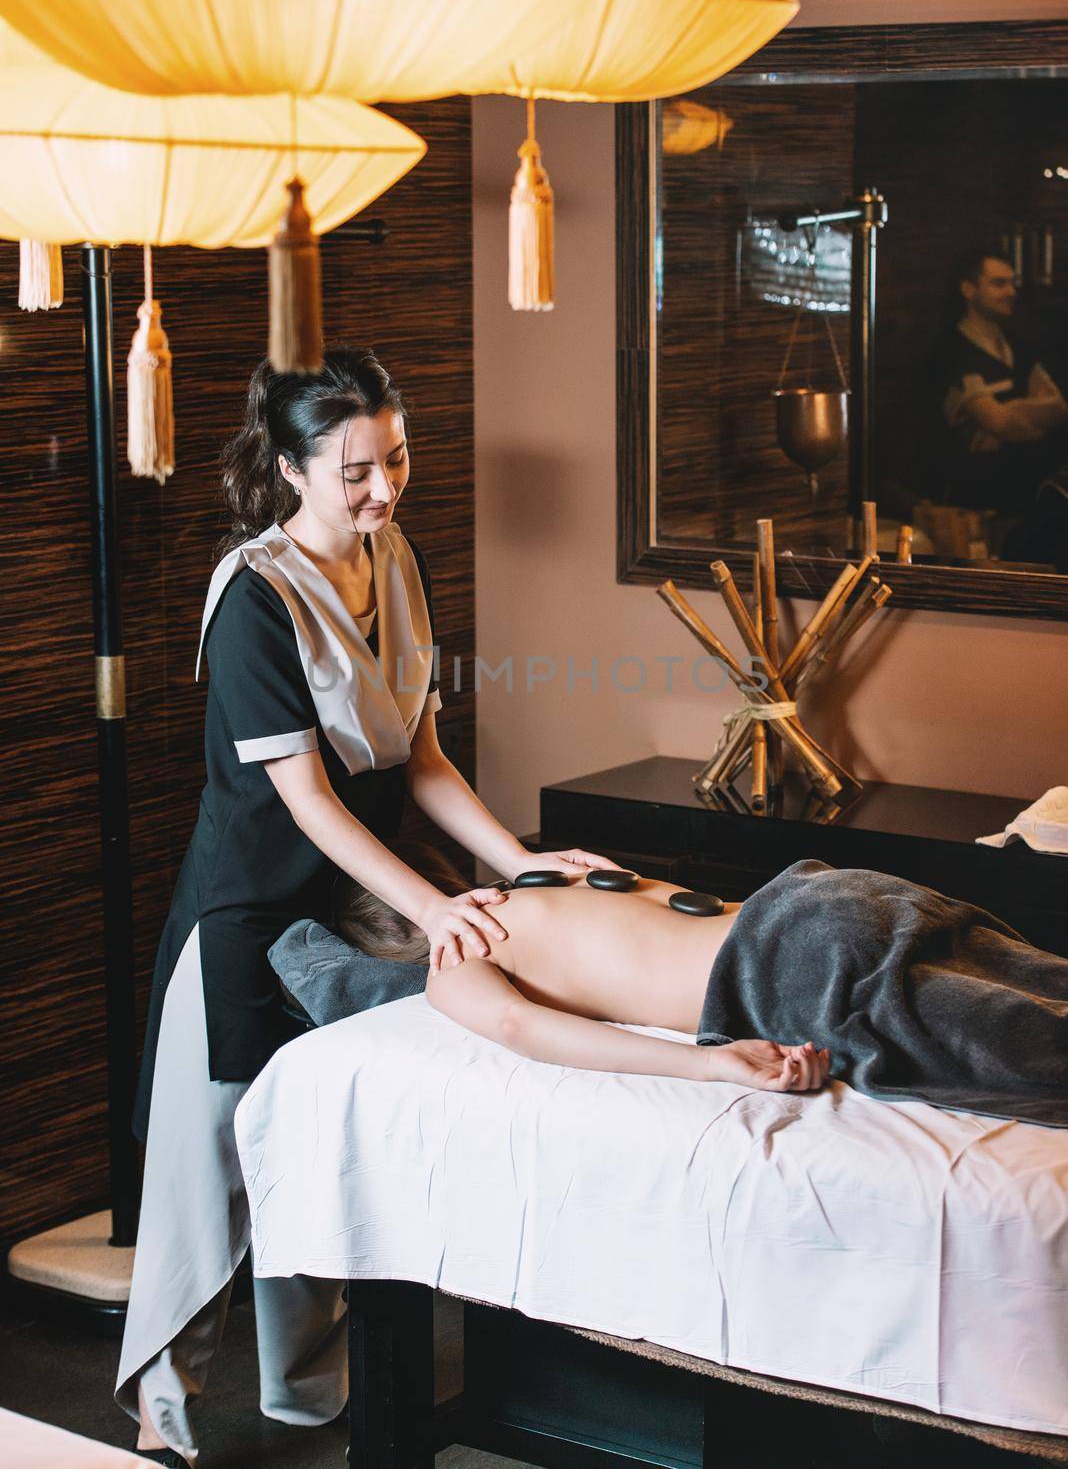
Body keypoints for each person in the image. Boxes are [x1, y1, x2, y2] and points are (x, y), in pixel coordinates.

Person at [116, 348, 620, 1467]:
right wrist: (435, 910)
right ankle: (163, 1405)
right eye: (354, 471)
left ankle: (306, 1395)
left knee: (326, 1134)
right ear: (293, 468)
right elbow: (304, 800)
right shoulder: (253, 596)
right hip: (248, 908)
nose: (382, 487)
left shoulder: (398, 557)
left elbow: (424, 757)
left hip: (359, 890)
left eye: (394, 458)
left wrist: (520, 861)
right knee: (213, 1164)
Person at [333, 854, 1068, 1126]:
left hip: (791, 967)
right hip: (827, 895)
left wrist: (711, 1062)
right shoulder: (546, 871)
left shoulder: (454, 957)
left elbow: (523, 1030)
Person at [939, 246, 1068, 527]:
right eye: (999, 283)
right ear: (968, 289)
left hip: (1027, 500)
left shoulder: (1020, 347)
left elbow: (1059, 408)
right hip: (976, 503)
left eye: (1012, 283)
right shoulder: (953, 353)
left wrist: (1011, 411)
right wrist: (1026, 418)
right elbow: (1000, 422)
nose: (1010, 292)